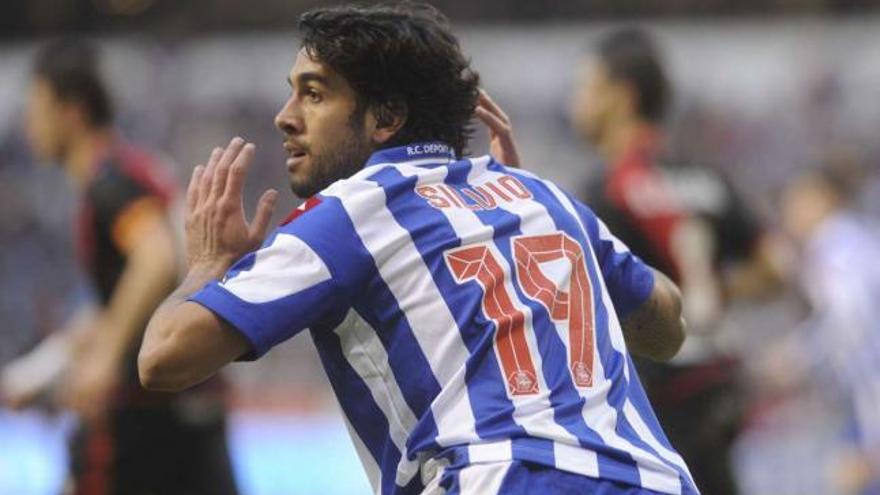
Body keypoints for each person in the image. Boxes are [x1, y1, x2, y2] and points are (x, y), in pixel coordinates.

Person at [138, 4, 698, 494]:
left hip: (497, 477)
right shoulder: (544, 197)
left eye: (313, 93)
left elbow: (164, 359)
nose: (286, 116)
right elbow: (668, 326)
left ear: (386, 117)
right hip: (655, 479)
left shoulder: (350, 213)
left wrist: (208, 266)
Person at [3, 40, 238, 494]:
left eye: (37, 107)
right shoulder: (128, 173)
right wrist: (46, 366)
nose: (29, 125)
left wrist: (106, 360)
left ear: (71, 110)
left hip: (148, 410)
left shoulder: (112, 183)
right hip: (187, 401)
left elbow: (154, 260)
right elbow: (117, 300)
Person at [570, 27, 783, 495]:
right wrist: (714, 292)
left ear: (621, 97)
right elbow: (775, 268)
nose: (577, 102)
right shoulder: (707, 177)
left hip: (658, 391)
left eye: (587, 88)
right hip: (720, 381)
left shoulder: (605, 190)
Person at [780, 163, 880, 494]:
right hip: (861, 393)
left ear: (823, 199)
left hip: (871, 390)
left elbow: (850, 321)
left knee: (851, 478)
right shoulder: (856, 239)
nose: (787, 213)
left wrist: (797, 355)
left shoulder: (832, 247)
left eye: (796, 201)